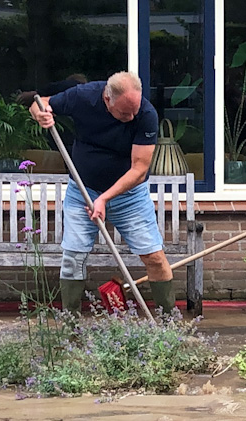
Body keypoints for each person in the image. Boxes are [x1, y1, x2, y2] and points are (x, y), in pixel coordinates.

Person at [27, 73, 176, 314]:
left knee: (155, 257)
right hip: (82, 190)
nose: (131, 118)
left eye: (134, 111)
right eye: (124, 113)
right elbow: (40, 102)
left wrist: (104, 198)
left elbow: (139, 169)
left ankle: (171, 325)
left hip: (129, 197)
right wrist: (40, 113)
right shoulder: (83, 97)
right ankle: (70, 328)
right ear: (107, 99)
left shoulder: (146, 115)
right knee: (72, 259)